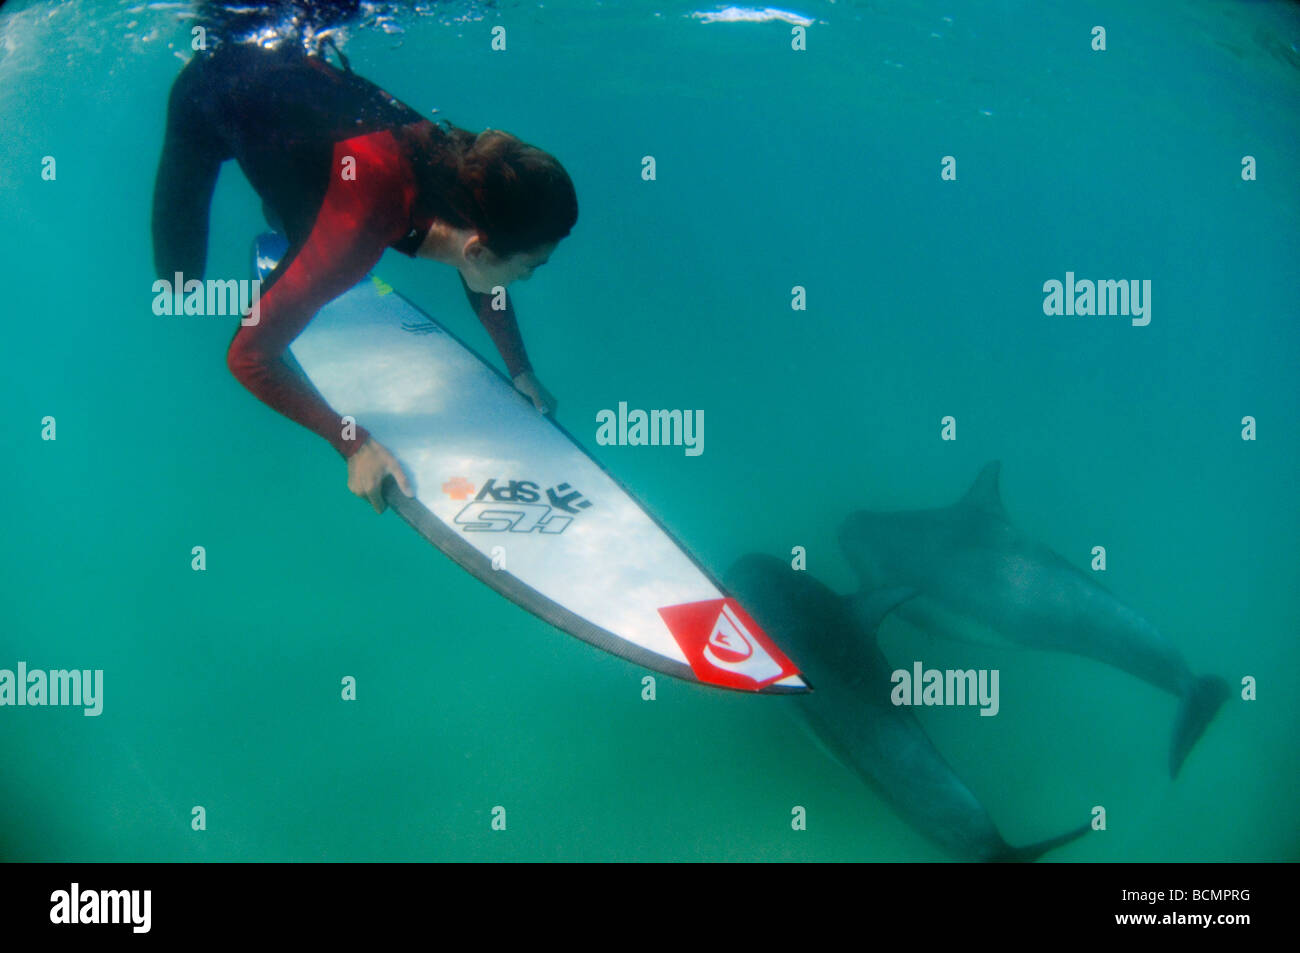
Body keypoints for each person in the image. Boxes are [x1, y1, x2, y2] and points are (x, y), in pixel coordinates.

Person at [151, 39, 578, 512]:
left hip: (311, 131)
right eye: (529, 269)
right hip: (208, 93)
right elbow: (249, 358)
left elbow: (482, 269)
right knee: (179, 283)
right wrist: (351, 442)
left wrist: (521, 371)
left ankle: (291, 216)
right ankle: (287, 220)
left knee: (297, 210)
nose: (525, 280)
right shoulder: (356, 236)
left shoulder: (468, 175)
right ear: (477, 248)